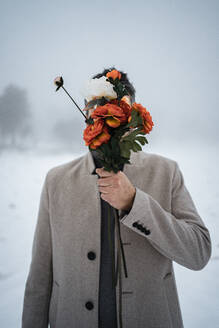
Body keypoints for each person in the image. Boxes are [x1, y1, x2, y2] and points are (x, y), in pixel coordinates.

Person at [22, 67, 212, 328]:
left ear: (132, 115)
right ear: (85, 111)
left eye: (116, 108)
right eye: (96, 106)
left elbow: (199, 253)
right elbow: (39, 279)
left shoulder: (166, 172)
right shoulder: (57, 181)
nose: (104, 115)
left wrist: (136, 203)